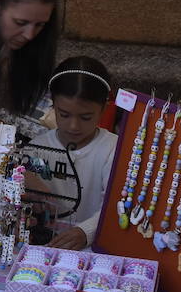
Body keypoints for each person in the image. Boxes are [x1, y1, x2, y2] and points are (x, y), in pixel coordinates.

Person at [23, 56, 116, 250]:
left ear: (104, 109)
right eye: (64, 114)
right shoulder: (36, 148)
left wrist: (86, 231)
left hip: (92, 250)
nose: (73, 126)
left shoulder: (112, 150)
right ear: (52, 104)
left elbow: (117, 205)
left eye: (85, 117)